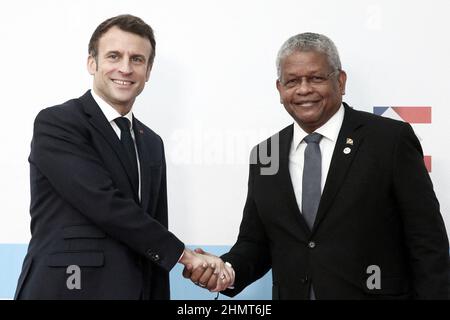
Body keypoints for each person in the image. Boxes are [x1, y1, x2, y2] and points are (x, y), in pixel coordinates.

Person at [185, 32, 449, 299]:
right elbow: (256, 242)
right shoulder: (266, 154)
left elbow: (428, 243)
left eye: (316, 78)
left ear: (340, 81)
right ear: (279, 89)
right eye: (292, 81)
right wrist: (226, 270)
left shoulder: (389, 140)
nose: (303, 89)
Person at [14, 14, 228, 300]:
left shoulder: (151, 142)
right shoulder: (58, 123)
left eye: (137, 59)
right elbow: (102, 201)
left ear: (148, 71)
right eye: (114, 56)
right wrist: (185, 256)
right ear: (93, 63)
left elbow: (152, 223)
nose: (125, 68)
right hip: (67, 289)